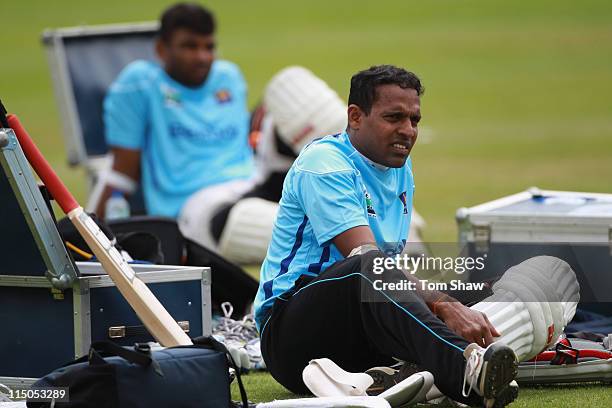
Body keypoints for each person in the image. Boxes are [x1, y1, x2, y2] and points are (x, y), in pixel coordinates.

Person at [254, 65, 518, 406]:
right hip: (292, 340)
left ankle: (414, 371)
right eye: (394, 117)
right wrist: (443, 304)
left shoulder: (398, 166)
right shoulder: (324, 164)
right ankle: (465, 370)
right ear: (355, 116)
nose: (407, 130)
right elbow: (367, 258)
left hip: (362, 333)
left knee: (490, 284)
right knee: (369, 265)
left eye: (414, 120)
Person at [97, 2, 253, 218]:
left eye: (209, 47)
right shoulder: (140, 83)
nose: (202, 57)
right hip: (190, 207)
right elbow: (122, 173)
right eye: (190, 47)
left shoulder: (229, 77)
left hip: (248, 192)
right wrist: (86, 238)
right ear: (161, 49)